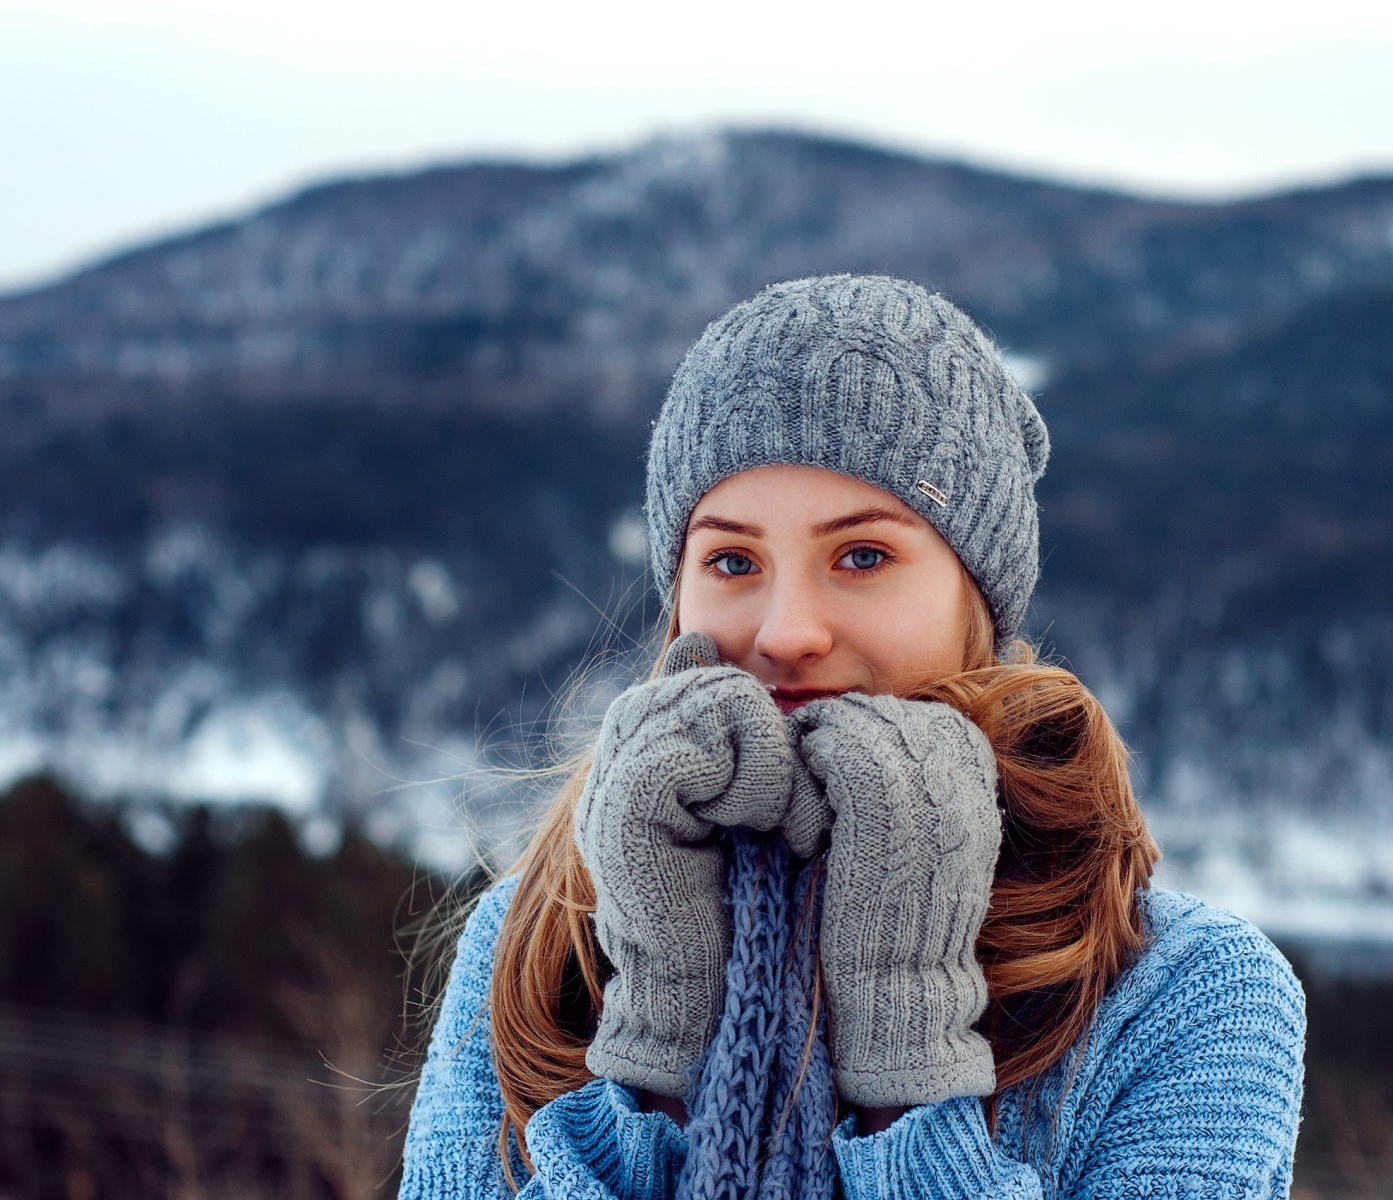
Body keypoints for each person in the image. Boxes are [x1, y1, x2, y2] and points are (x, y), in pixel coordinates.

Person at [399, 275, 1306, 1200]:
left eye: (863, 555)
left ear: (978, 599)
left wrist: (907, 1056)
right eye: (732, 560)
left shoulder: (1189, 999)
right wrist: (658, 1039)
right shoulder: (533, 943)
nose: (788, 630)